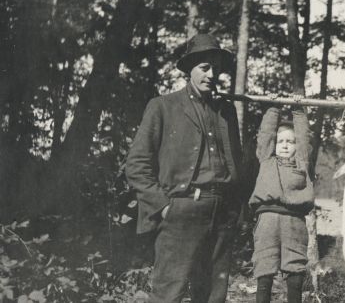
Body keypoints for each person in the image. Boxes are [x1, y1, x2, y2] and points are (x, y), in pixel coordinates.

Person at [125, 33, 244, 303]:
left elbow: (236, 161)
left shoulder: (226, 111)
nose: (212, 74)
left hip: (222, 212)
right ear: (189, 69)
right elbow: (136, 164)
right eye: (205, 67)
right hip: (182, 210)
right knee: (169, 294)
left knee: (213, 295)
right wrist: (164, 206)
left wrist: (236, 207)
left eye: (216, 68)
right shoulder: (163, 107)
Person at [249, 104, 315, 303]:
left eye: (290, 142)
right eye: (281, 141)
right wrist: (273, 109)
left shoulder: (301, 163)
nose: (285, 145)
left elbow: (304, 138)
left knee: (295, 269)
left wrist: (298, 112)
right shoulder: (266, 160)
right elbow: (265, 136)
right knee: (264, 269)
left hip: (294, 223)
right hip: (267, 221)